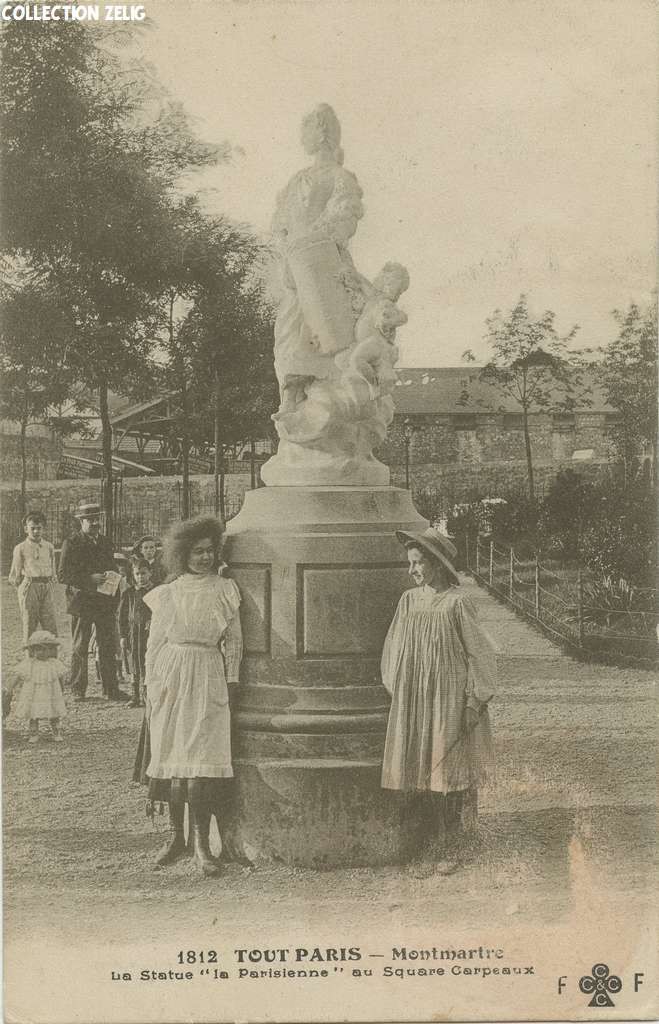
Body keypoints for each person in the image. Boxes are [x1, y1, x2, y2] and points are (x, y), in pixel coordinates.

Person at [380, 527, 496, 875]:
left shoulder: (458, 603)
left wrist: (474, 701)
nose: (412, 570)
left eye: (418, 563)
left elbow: (480, 655)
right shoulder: (409, 601)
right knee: (423, 769)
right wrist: (401, 689)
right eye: (410, 563)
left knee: (447, 769)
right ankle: (427, 844)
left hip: (449, 697)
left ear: (438, 564)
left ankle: (450, 843)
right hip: (418, 697)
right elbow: (394, 647)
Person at [142, 516, 242, 877]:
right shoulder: (170, 591)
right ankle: (176, 838)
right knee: (173, 759)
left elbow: (234, 642)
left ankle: (202, 844)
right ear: (183, 554)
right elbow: (154, 645)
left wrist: (230, 681)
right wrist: (151, 685)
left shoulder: (224, 589)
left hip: (207, 674)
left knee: (199, 762)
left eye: (209, 551)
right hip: (172, 673)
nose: (204, 557)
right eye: (197, 551)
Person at [57, 502, 128, 702]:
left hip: (104, 602)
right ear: (81, 522)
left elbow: (111, 566)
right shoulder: (71, 543)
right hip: (82, 602)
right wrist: (89, 578)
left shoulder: (105, 542)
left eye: (97, 519)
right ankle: (78, 690)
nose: (95, 523)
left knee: (107, 645)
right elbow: (63, 575)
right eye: (90, 520)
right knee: (80, 645)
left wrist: (114, 577)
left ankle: (111, 689)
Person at [5, 630, 67, 743]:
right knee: (33, 713)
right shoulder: (29, 664)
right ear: (32, 651)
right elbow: (17, 675)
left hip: (51, 692)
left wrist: (62, 688)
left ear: (50, 650)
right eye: (38, 649)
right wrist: (10, 687)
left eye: (46, 649)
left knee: (54, 712)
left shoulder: (54, 663)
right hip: (34, 694)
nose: (42, 652)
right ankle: (34, 733)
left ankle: (56, 732)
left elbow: (60, 677)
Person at [8, 511, 58, 642]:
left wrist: (51, 583)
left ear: (44, 529)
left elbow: (53, 570)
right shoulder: (20, 548)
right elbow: (15, 575)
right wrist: (23, 590)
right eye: (32, 528)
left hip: (46, 586)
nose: (36, 531)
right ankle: (29, 659)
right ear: (26, 529)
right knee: (29, 624)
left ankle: (52, 660)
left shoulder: (49, 547)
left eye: (39, 528)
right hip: (30, 586)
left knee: (51, 625)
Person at [119, 556, 153, 708]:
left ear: (150, 573)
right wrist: (122, 635)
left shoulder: (155, 591)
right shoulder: (129, 593)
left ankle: (147, 695)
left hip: (150, 634)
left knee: (148, 661)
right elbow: (121, 616)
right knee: (134, 662)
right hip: (134, 633)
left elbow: (161, 611)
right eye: (137, 574)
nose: (141, 577)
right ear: (133, 575)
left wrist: (153, 621)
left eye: (144, 573)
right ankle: (135, 695)